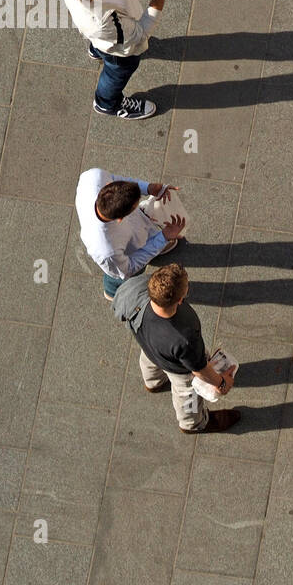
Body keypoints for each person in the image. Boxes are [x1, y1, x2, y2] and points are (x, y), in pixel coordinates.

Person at [114, 263, 240, 434]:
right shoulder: (184, 336)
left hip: (148, 345)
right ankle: (193, 424)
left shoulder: (134, 286)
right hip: (178, 369)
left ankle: (153, 383)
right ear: (180, 299)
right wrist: (221, 383)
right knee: (187, 394)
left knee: (149, 361)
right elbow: (200, 370)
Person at [75, 168, 185, 301]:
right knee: (117, 277)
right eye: (136, 206)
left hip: (135, 235)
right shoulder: (107, 250)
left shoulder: (93, 177)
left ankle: (154, 243)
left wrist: (148, 188)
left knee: (144, 232)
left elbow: (116, 179)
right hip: (124, 258)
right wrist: (163, 237)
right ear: (121, 218)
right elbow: (128, 269)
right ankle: (112, 291)